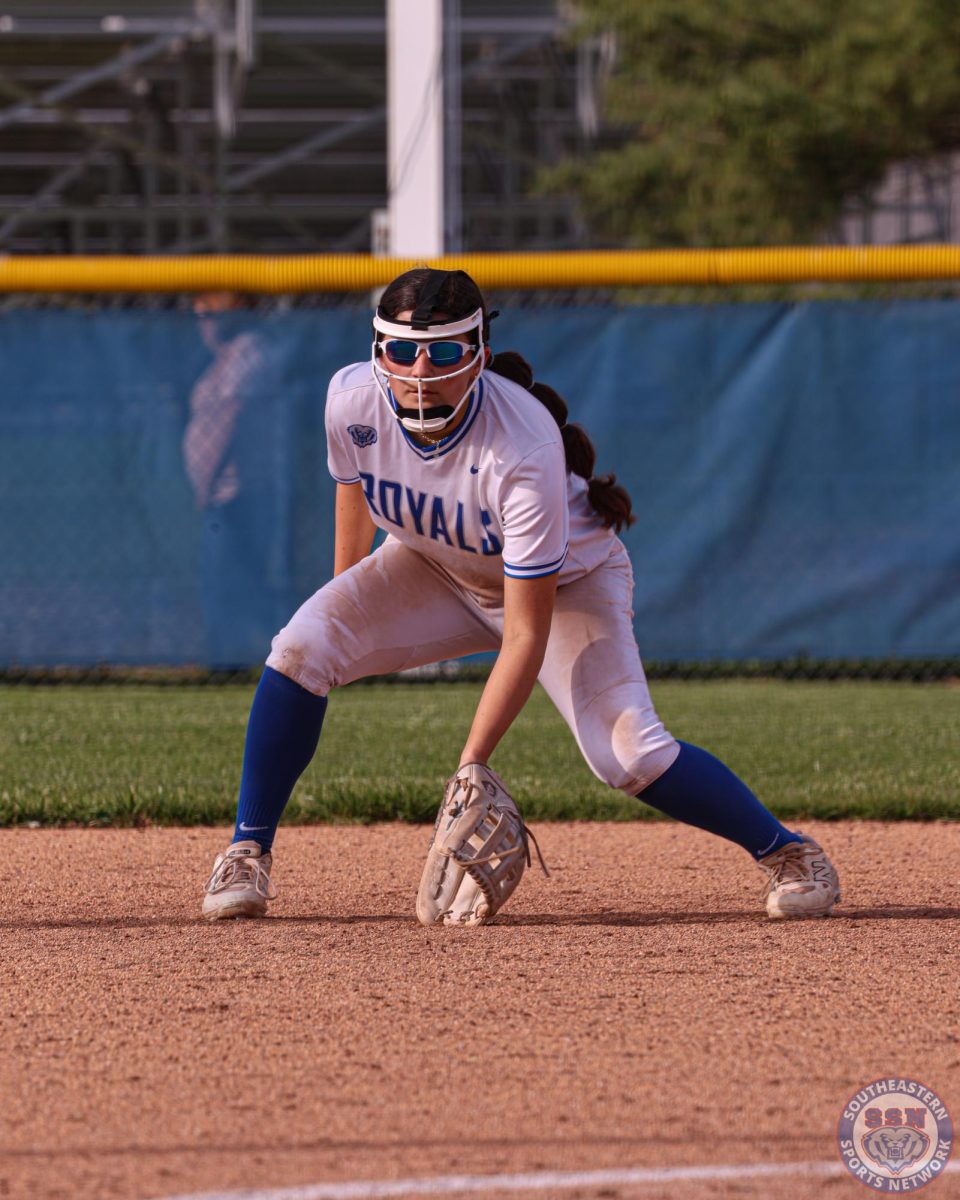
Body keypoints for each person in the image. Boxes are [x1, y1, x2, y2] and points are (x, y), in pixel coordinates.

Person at [201, 267, 840, 923]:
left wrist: (471, 764)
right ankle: (246, 852)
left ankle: (789, 854)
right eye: (402, 349)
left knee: (629, 755)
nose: (420, 370)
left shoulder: (521, 446)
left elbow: (524, 633)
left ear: (477, 353)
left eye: (444, 351)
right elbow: (356, 489)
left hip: (565, 590)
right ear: (377, 350)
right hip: (432, 567)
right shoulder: (351, 398)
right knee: (302, 648)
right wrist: (340, 608)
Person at [183, 292, 291, 667]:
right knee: (229, 579)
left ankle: (246, 659)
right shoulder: (221, 361)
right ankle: (241, 656)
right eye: (200, 318)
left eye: (212, 317)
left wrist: (206, 480)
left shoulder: (248, 350)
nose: (204, 326)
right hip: (224, 495)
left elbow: (231, 417)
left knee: (231, 580)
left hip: (241, 493)